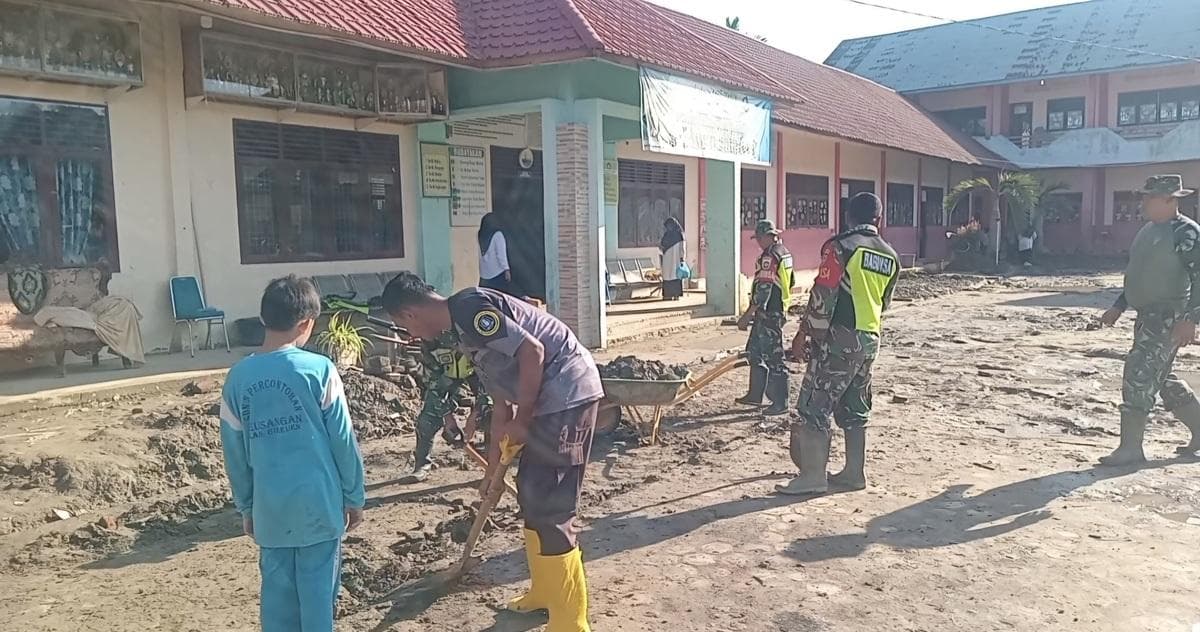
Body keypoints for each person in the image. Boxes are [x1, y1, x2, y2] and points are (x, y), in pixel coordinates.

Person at [382, 273, 601, 631]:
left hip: (566, 396)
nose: (412, 336)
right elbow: (501, 408)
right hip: (546, 405)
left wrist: (525, 418)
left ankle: (571, 622)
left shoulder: (470, 309)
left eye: (403, 326)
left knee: (552, 507)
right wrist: (492, 472)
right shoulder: (461, 336)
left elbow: (534, 350)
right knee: (531, 494)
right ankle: (546, 594)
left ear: (409, 314)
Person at [218, 275, 366, 632]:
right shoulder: (319, 370)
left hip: (270, 510)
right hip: (319, 506)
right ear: (306, 323)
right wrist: (355, 495)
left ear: (264, 318)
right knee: (318, 599)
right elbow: (343, 440)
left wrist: (246, 506)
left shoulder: (238, 378)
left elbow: (234, 453)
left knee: (277, 600)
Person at [777, 192, 899, 496]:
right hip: (870, 338)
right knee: (856, 406)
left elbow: (823, 296)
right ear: (879, 220)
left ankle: (813, 476)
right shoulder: (890, 256)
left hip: (839, 337)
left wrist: (804, 335)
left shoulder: (841, 247)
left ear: (848, 216)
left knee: (814, 405)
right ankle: (854, 473)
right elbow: (883, 303)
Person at [1097, 175, 1200, 465]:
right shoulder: (1149, 230)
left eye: (1150, 198)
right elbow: (1138, 274)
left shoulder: (1186, 232)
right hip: (1147, 315)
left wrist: (1190, 319)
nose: (1144, 203)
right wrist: (1119, 306)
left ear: (1170, 199)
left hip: (1168, 317)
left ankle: (1131, 448)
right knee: (1160, 377)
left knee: (1139, 372)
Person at [405, 318, 494, 483]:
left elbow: (489, 385)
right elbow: (434, 385)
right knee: (427, 420)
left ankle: (492, 466)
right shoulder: (429, 345)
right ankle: (422, 464)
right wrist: (449, 419)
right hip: (445, 376)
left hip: (475, 375)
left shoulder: (479, 344)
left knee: (490, 413)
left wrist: (474, 417)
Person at [736, 219, 794, 417]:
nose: (758, 242)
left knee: (774, 357)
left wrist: (747, 315)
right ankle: (755, 395)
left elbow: (764, 289)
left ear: (768, 236)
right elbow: (790, 281)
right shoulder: (784, 252)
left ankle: (780, 402)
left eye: (759, 238)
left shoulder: (770, 257)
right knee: (754, 352)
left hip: (771, 312)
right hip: (771, 311)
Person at [478, 213, 516, 295]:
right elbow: (501, 255)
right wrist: (506, 269)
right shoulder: (498, 235)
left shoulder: (480, 235)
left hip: (484, 275)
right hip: (497, 274)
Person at [659, 217, 686, 301]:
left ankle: (673, 295)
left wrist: (682, 258)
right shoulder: (677, 235)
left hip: (672, 259)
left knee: (672, 276)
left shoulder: (675, 235)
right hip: (670, 259)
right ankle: (671, 295)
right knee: (671, 276)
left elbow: (682, 247)